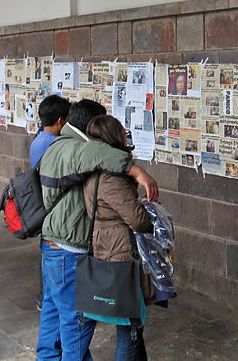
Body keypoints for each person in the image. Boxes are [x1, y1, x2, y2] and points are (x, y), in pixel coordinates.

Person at [36, 99, 159, 361]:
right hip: (68, 251)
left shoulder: (55, 144)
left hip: (52, 245)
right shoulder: (76, 148)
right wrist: (138, 171)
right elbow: (104, 155)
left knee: (52, 319)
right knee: (76, 328)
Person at [82, 116, 155, 360]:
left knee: (131, 321)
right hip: (119, 250)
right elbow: (138, 220)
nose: (127, 137)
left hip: (103, 243)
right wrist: (153, 218)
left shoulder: (92, 168)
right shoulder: (112, 178)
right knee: (129, 324)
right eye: (123, 133)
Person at [29, 94, 72, 310]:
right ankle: (47, 298)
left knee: (45, 255)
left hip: (42, 207)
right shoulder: (57, 145)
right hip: (52, 210)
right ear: (60, 121)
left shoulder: (39, 139)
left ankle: (44, 298)